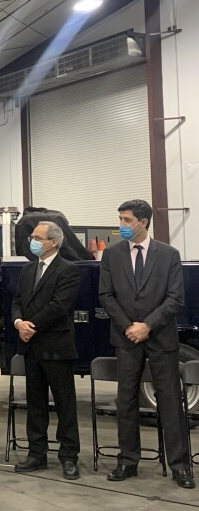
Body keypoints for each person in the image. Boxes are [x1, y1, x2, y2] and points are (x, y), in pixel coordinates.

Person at [98, 199, 194, 489]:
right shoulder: (112, 255)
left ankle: (180, 465)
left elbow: (175, 298)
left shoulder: (168, 254)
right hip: (126, 337)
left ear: (143, 222)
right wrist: (129, 327)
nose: (122, 225)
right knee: (126, 400)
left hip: (161, 337)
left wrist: (147, 325)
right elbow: (106, 296)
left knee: (170, 400)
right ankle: (128, 461)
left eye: (127, 220)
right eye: (120, 219)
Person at [11, 221, 81, 480]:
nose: (33, 241)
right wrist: (19, 322)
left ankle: (69, 456)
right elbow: (17, 301)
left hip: (56, 347)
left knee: (65, 404)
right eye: (33, 237)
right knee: (35, 404)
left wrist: (32, 326)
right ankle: (36, 454)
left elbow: (59, 305)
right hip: (31, 347)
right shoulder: (28, 269)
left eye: (37, 237)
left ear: (54, 242)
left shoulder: (68, 270)